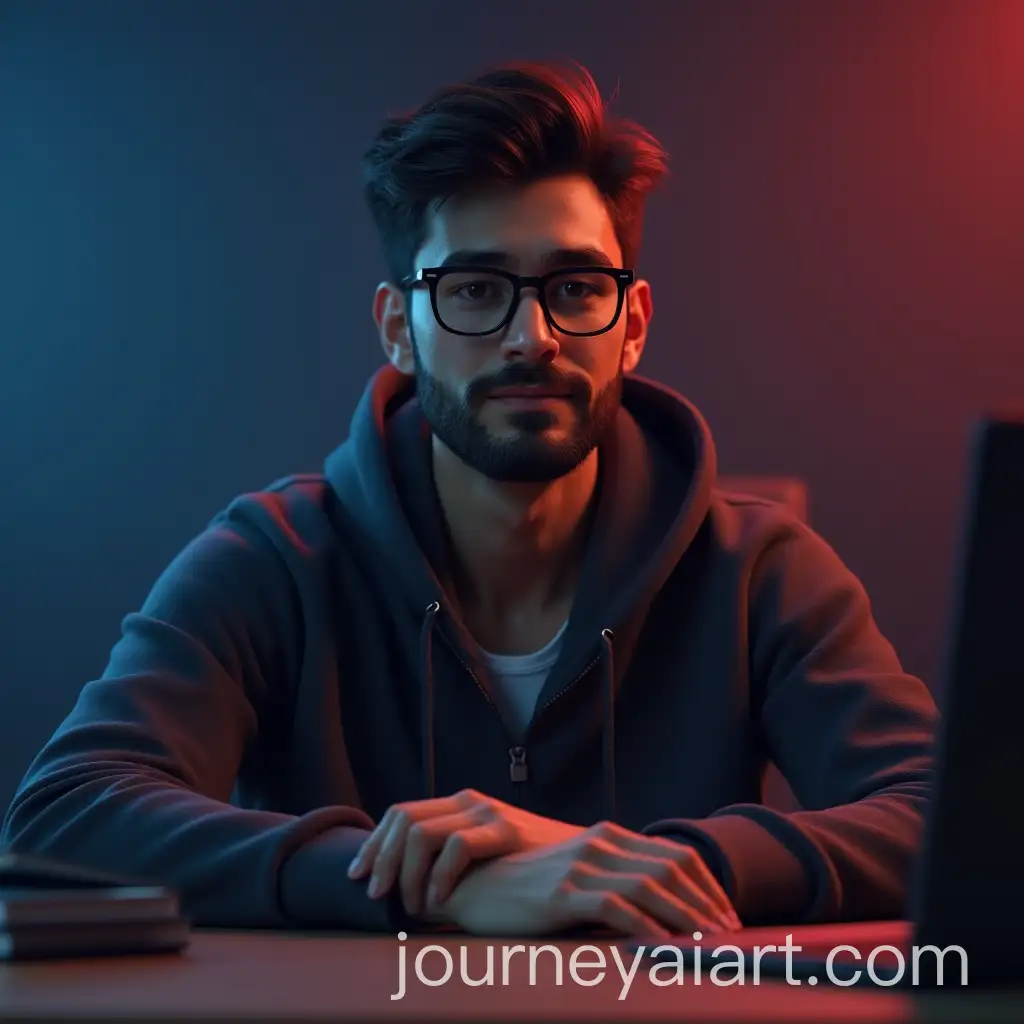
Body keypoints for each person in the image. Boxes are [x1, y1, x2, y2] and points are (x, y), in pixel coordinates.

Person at [1, 60, 937, 941]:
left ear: (635, 325)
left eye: (575, 288)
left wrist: (657, 867)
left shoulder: (756, 570)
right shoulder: (274, 559)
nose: (531, 336)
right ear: (398, 329)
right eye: (475, 290)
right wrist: (427, 881)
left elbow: (954, 815)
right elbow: (64, 812)